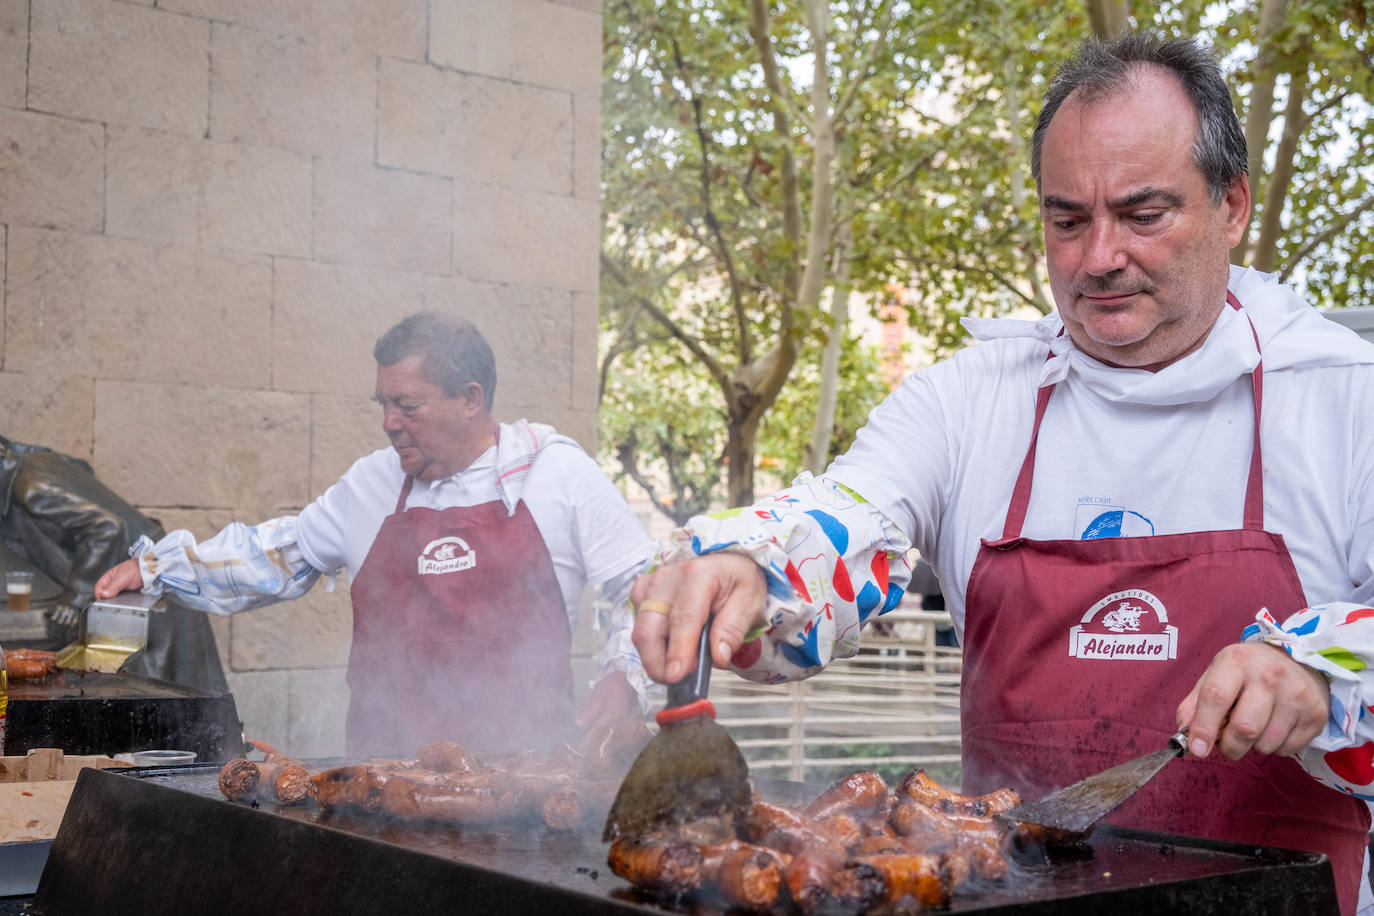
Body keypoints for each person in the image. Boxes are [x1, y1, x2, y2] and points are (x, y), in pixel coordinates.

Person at [627, 33, 1374, 916]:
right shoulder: (969, 398)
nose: (1098, 257)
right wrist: (751, 568)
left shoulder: (1342, 396)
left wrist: (1322, 670)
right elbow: (848, 517)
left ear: (1233, 206)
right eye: (1067, 220)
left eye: (1143, 215)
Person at [95, 312, 655, 758]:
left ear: (470, 398)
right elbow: (278, 556)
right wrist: (157, 570)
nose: (389, 422)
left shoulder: (554, 473)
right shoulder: (371, 482)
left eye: (406, 405)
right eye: (383, 404)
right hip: (383, 782)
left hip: (528, 778)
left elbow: (643, 586)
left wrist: (624, 677)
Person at [0, 436, 226, 692]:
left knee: (167, 699)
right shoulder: (31, 466)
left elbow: (107, 528)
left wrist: (74, 600)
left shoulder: (30, 484)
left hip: (148, 590)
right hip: (139, 587)